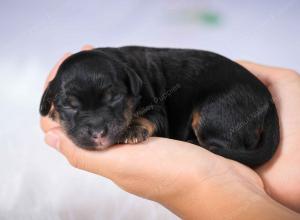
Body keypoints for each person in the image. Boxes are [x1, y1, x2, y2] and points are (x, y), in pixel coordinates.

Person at [41, 45, 300, 219]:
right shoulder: (119, 74)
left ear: (132, 87)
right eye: (71, 107)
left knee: (209, 120)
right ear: (49, 103)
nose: (97, 128)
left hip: (229, 96)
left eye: (113, 99)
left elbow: (157, 116)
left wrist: (141, 126)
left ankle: (219, 146)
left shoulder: (135, 78)